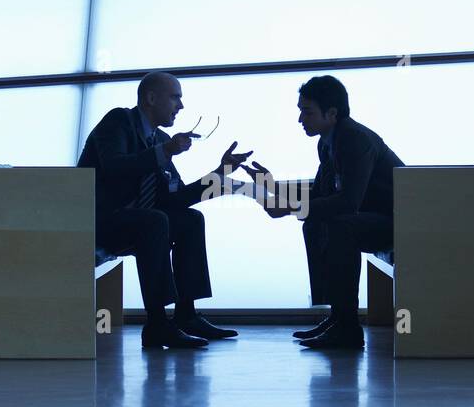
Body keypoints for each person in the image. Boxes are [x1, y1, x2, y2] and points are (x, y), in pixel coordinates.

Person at [77, 72, 251, 349]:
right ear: (151, 98)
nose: (180, 106)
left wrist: (220, 173)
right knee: (155, 221)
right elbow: (115, 167)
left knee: (190, 219)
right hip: (98, 219)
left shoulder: (160, 138)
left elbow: (176, 198)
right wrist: (164, 151)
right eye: (175, 97)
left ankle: (186, 315)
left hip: (136, 221)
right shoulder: (118, 121)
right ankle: (157, 323)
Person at [245, 75, 403, 350]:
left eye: (307, 111)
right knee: (314, 223)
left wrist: (290, 207)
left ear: (332, 113)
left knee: (341, 225)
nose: (300, 119)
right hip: (372, 218)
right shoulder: (327, 141)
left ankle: (348, 328)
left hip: (398, 222)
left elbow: (348, 202)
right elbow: (321, 195)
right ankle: (337, 317)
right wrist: (272, 187)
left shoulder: (353, 139)